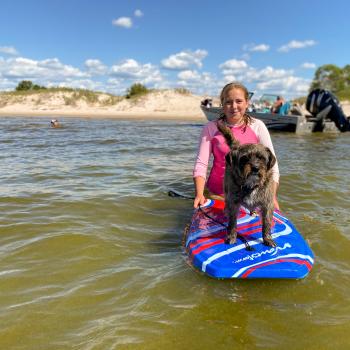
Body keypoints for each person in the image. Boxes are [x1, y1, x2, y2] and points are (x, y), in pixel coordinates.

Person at [193, 82, 280, 210]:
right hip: (217, 195)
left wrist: (271, 196)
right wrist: (199, 194)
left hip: (253, 197)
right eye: (228, 102)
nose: (234, 106)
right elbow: (201, 164)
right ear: (222, 104)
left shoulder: (258, 126)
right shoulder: (210, 128)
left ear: (247, 103)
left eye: (239, 101)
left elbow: (273, 166)